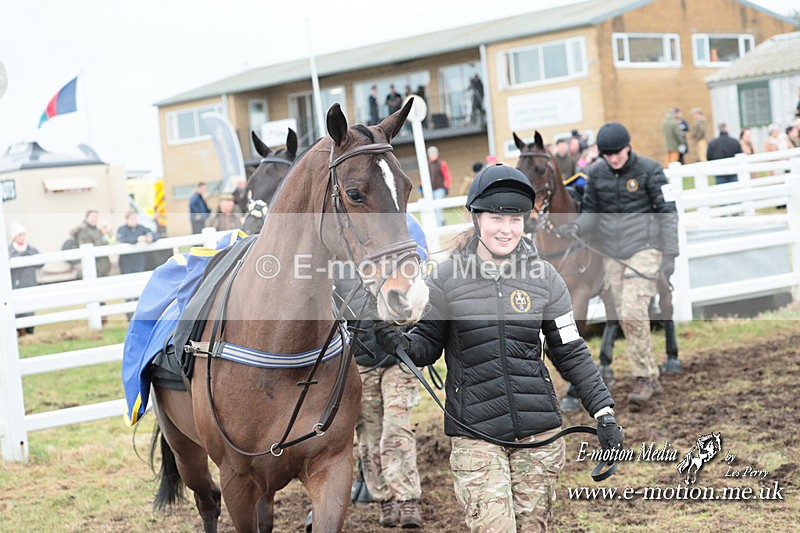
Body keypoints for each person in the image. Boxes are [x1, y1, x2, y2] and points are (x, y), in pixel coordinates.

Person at [373, 164, 622, 532]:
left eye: (516, 219)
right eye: (496, 218)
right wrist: (397, 341)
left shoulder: (546, 278)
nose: (507, 229)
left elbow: (570, 349)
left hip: (539, 438)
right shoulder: (445, 277)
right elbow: (426, 346)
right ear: (476, 218)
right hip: (476, 438)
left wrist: (603, 412)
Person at [557, 122, 679, 408]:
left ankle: (644, 377)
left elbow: (668, 214)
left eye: (617, 153)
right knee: (622, 314)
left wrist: (670, 255)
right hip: (612, 252)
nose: (613, 159)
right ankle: (649, 374)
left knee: (633, 310)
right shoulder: (596, 173)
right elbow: (591, 215)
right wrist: (575, 228)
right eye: (607, 154)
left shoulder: (650, 170)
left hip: (645, 248)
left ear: (628, 147)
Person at [334, 213, 428, 529]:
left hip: (399, 357)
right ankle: (385, 500)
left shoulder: (398, 254)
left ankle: (408, 499)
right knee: (369, 434)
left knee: (396, 428)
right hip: (361, 362)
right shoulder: (339, 266)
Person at [117, 210, 158, 319]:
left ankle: (138, 313)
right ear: (127, 219)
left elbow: (154, 234)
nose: (134, 221)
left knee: (140, 288)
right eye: (131, 218)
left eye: (135, 218)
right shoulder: (122, 230)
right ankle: (129, 315)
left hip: (139, 262)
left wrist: (150, 238)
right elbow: (122, 240)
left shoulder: (141, 228)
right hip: (126, 263)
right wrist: (137, 239)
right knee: (128, 288)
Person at [7, 221, 40, 336]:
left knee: (30, 309)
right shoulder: (9, 251)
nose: (22, 237)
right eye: (19, 235)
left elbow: (41, 262)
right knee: (18, 309)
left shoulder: (31, 249)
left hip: (30, 283)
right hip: (16, 285)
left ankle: (30, 331)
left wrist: (29, 253)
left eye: (23, 235)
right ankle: (19, 331)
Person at [75, 209, 111, 277]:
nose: (94, 219)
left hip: (103, 268)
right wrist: (102, 238)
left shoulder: (97, 230)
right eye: (92, 217)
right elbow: (89, 249)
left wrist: (107, 234)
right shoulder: (83, 232)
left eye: (96, 217)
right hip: (94, 269)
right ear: (87, 218)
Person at [427, 146, 452, 226]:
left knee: (437, 207)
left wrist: (447, 187)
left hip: (439, 189)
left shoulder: (442, 163)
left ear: (437, 154)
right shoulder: (427, 164)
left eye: (434, 153)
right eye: (431, 153)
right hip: (430, 190)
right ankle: (441, 221)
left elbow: (447, 176)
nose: (433, 155)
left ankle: (439, 225)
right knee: (432, 208)